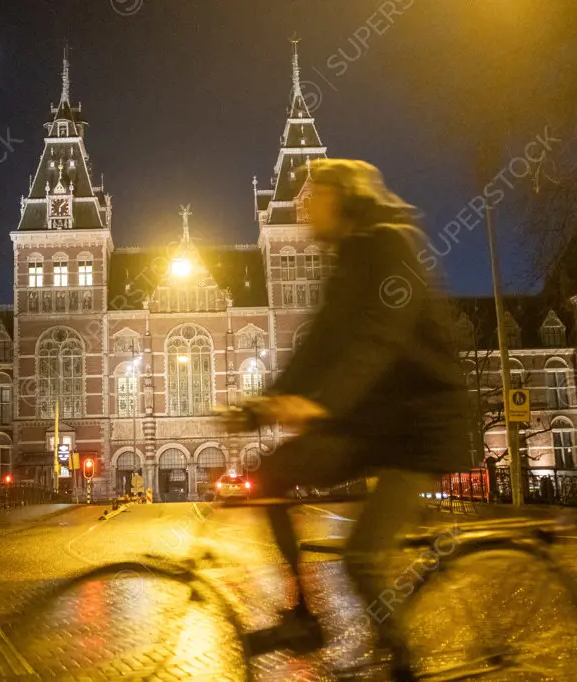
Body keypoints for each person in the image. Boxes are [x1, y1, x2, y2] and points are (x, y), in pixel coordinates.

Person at [226, 159, 470, 679]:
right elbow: (317, 344)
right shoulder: (347, 259)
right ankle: (302, 615)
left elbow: (378, 339)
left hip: (420, 425)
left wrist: (322, 404)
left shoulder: (390, 245)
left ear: (345, 198)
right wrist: (260, 404)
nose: (306, 207)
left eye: (315, 196)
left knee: (361, 557)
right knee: (270, 474)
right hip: (373, 424)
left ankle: (405, 666)